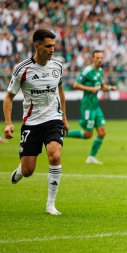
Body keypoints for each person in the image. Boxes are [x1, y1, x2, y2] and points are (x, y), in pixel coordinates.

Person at [3, 28, 69, 215]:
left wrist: (64, 117)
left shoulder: (57, 67)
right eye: (48, 46)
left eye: (54, 46)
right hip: (31, 122)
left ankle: (50, 204)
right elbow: (8, 97)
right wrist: (8, 123)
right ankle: (20, 170)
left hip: (53, 119)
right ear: (37, 45)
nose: (52, 50)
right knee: (28, 169)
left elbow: (61, 92)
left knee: (55, 155)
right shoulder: (22, 69)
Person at [66, 50, 116, 164]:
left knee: (102, 132)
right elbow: (75, 85)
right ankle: (62, 134)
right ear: (93, 58)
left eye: (101, 58)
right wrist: (91, 89)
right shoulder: (87, 70)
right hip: (87, 105)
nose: (100, 60)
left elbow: (101, 86)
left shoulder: (100, 71)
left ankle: (91, 157)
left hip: (95, 105)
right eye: (97, 58)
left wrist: (110, 88)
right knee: (88, 134)